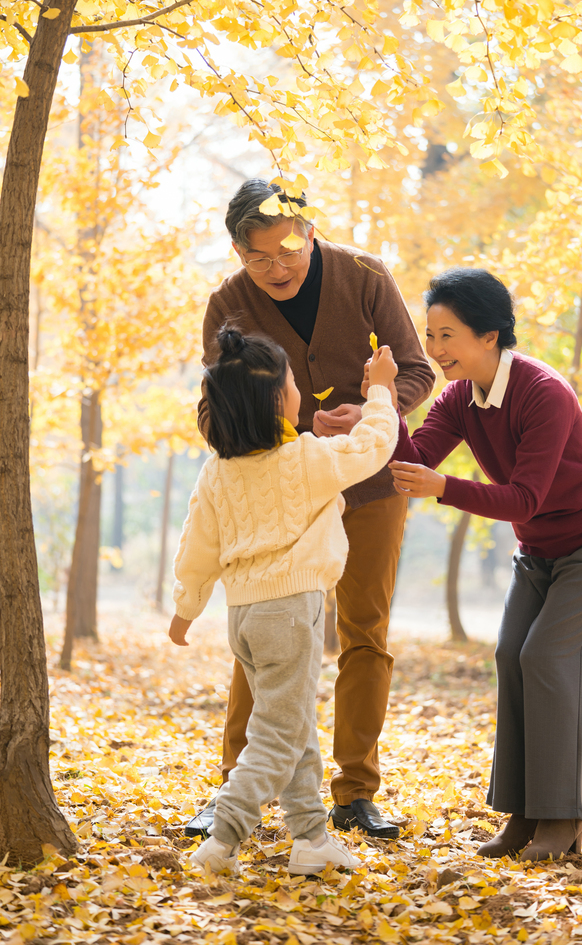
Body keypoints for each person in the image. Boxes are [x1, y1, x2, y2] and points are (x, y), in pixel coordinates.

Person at [186, 178, 435, 841]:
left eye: (288, 251)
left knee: (365, 631)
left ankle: (355, 791)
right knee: (264, 632)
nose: (277, 268)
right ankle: (235, 786)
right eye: (258, 258)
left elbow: (415, 368)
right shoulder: (227, 304)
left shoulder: (364, 274)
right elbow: (214, 411)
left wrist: (375, 408)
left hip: (372, 481)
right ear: (238, 253)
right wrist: (289, 434)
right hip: (278, 492)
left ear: (310, 233)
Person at [384, 268, 582, 861]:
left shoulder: (543, 392)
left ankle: (561, 821)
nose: (435, 349)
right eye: (430, 335)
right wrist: (384, 401)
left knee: (548, 658)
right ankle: (522, 817)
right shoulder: (459, 398)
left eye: (447, 336)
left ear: (490, 336)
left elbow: (524, 496)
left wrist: (443, 487)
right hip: (540, 548)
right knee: (511, 656)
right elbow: (414, 459)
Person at [169, 324, 400, 875]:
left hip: (244, 616)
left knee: (292, 727)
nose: (298, 384)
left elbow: (197, 545)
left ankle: (311, 839)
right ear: (279, 400)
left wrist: (186, 607)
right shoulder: (307, 460)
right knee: (276, 738)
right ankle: (219, 841)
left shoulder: (218, 473)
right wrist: (380, 391)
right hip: (291, 614)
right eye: (292, 378)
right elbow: (375, 445)